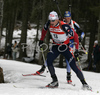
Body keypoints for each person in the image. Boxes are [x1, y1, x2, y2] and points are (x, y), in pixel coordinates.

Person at [37, 11, 91, 89]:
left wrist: (76, 50)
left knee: (73, 65)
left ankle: (84, 83)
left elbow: (75, 36)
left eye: (53, 20)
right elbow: (44, 30)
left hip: (65, 47)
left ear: (57, 19)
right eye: (50, 20)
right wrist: (41, 40)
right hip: (56, 46)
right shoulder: (48, 24)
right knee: (49, 60)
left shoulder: (64, 26)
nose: (51, 22)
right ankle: (54, 81)